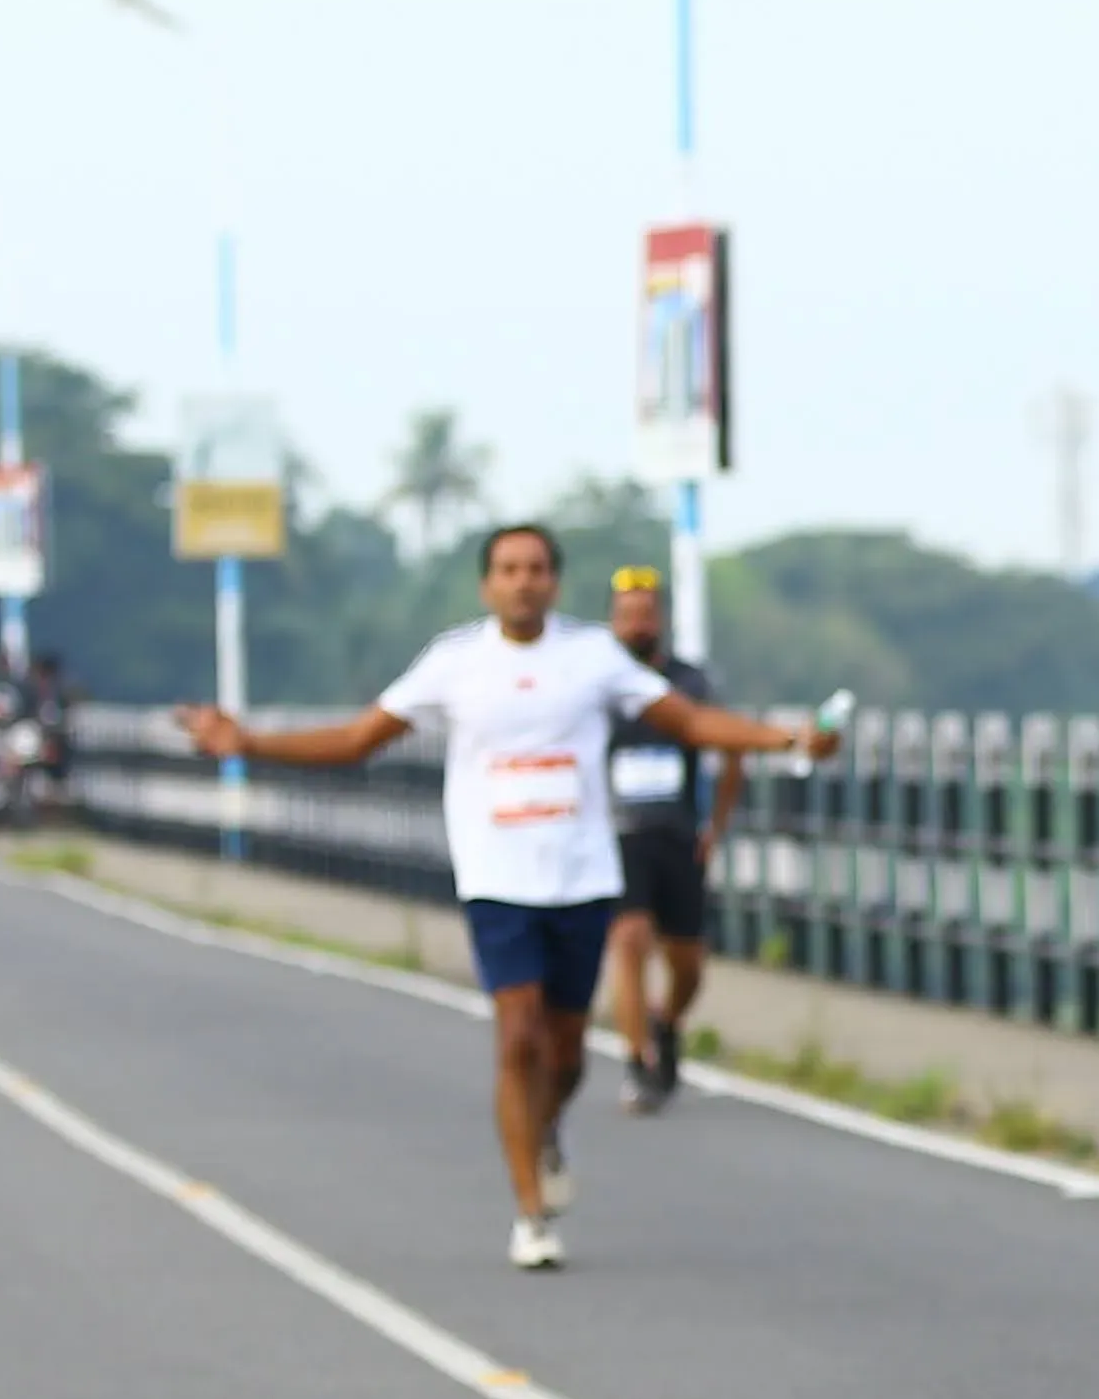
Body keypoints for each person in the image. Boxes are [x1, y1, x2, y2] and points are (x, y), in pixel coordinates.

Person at [173, 522, 835, 1270]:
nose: (523, 581)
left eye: (536, 569)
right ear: (487, 585)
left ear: (554, 582)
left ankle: (545, 1128)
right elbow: (360, 739)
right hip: (497, 878)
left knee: (566, 1051)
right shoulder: (456, 663)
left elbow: (689, 721)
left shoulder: (591, 658)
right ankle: (530, 1213)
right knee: (516, 1034)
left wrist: (787, 741)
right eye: (509, 569)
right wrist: (248, 743)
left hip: (581, 876)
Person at [598, 565, 728, 1113]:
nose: (638, 624)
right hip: (618, 836)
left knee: (687, 962)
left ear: (662, 620)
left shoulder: (690, 684)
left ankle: (666, 1021)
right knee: (628, 942)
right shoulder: (596, 684)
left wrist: (715, 826)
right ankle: (638, 1061)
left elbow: (731, 747)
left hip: (678, 835)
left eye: (647, 614)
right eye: (628, 615)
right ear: (614, 621)